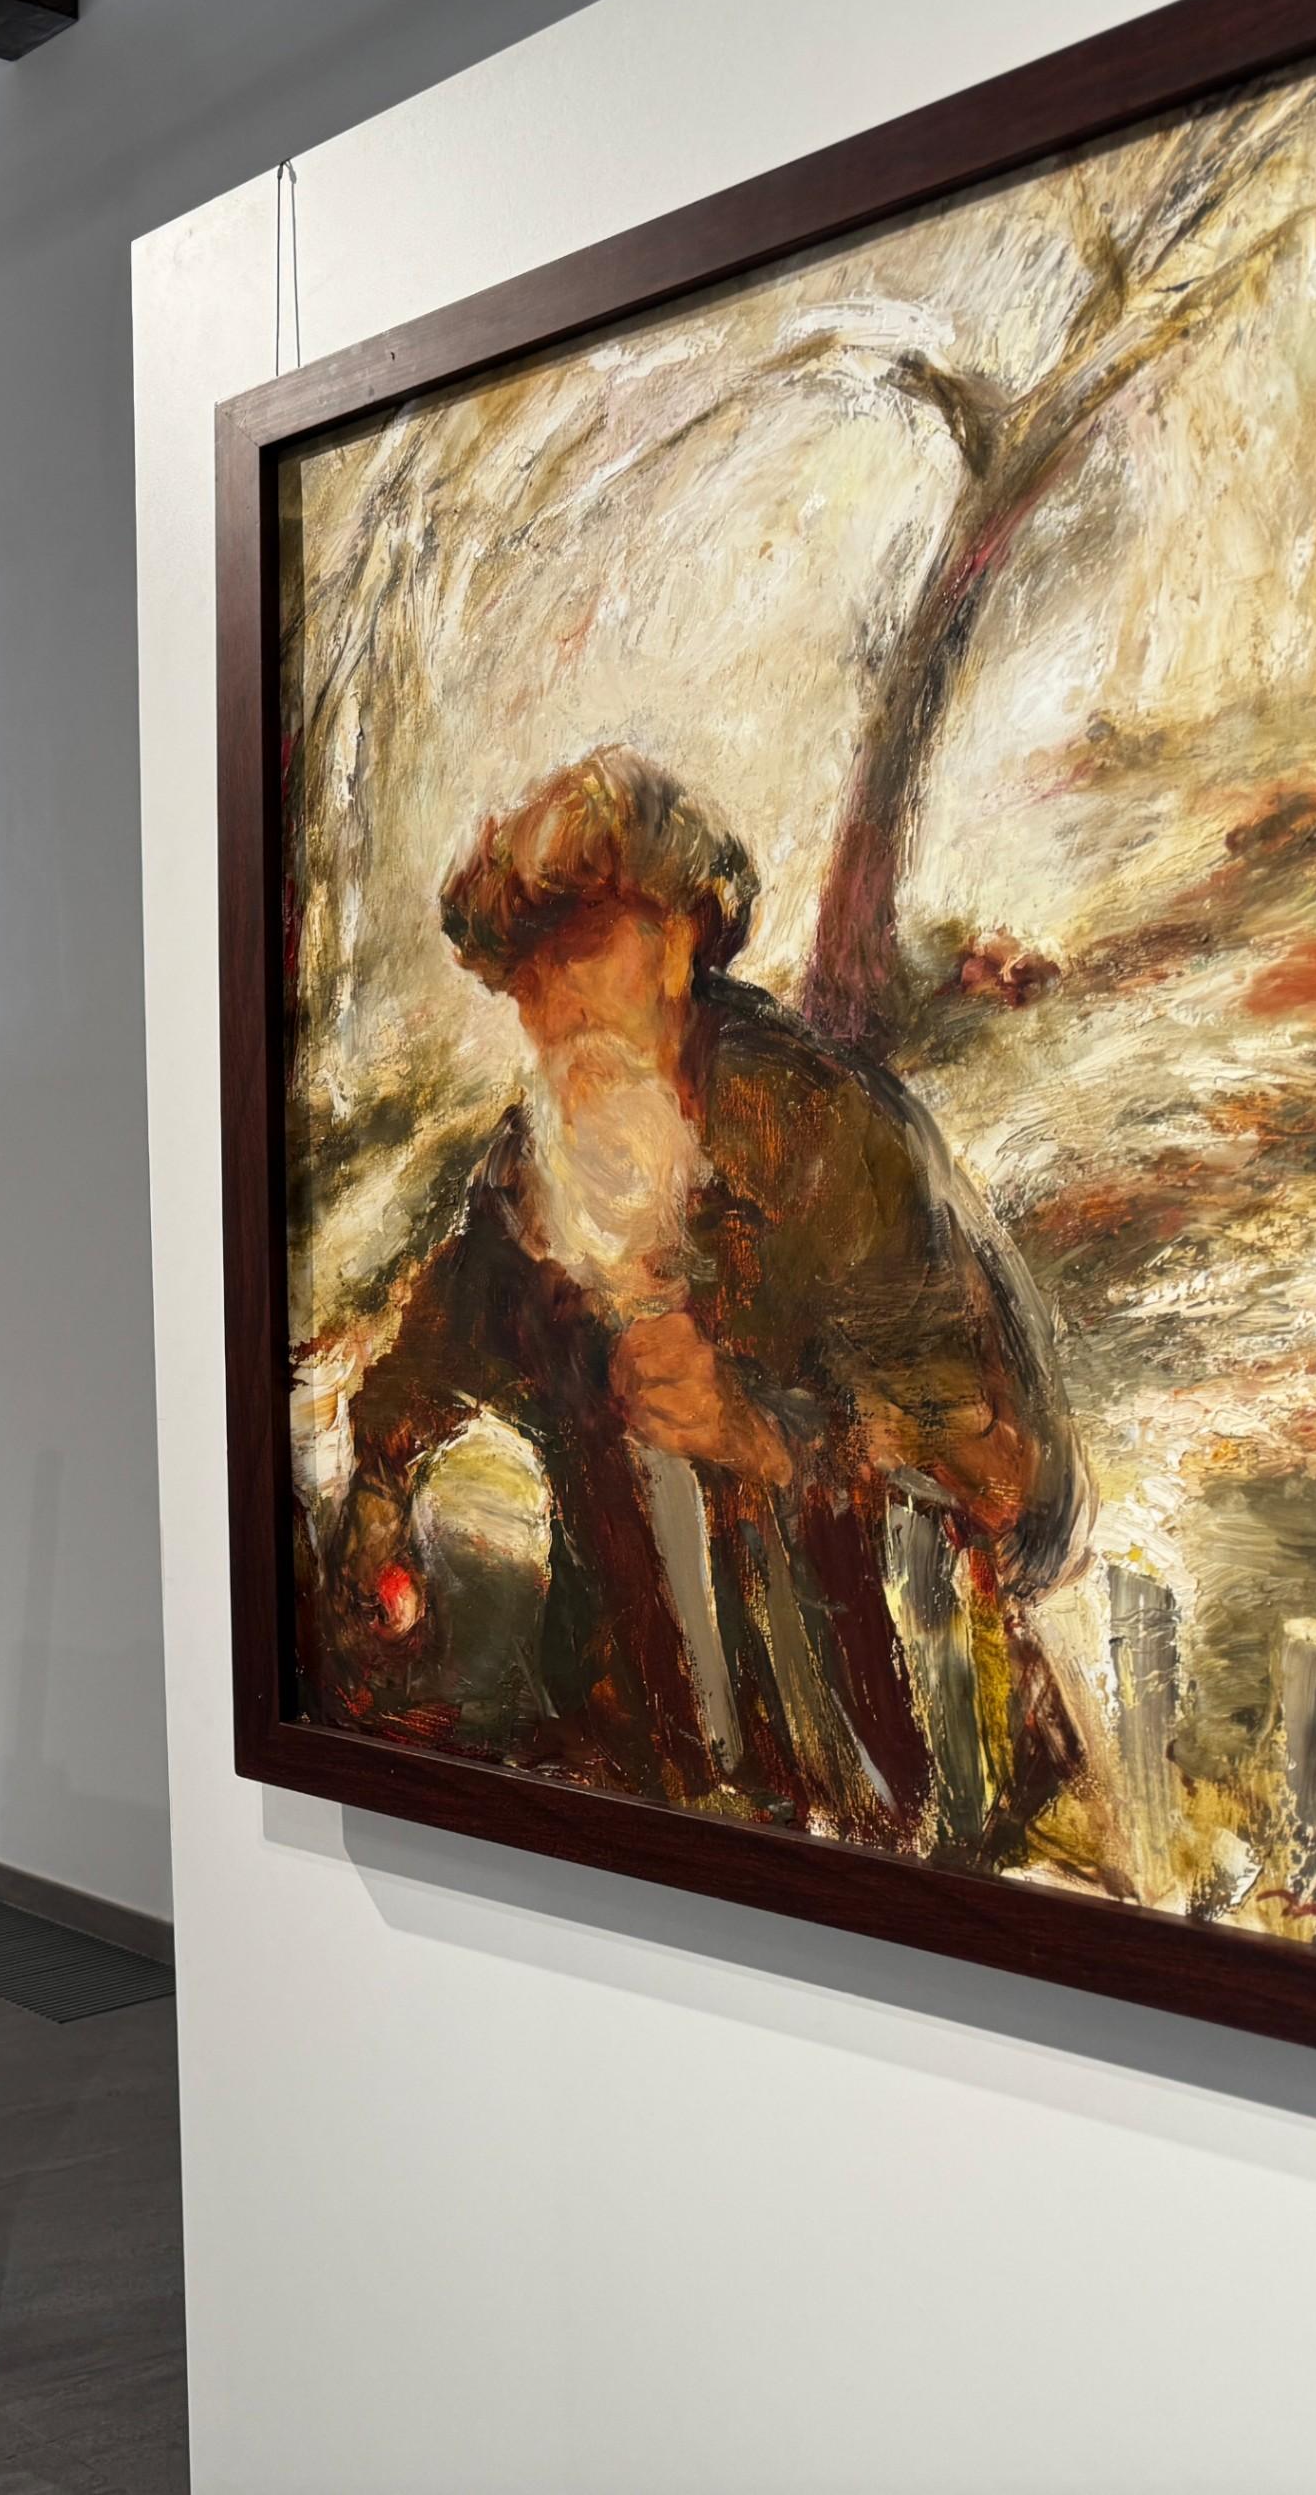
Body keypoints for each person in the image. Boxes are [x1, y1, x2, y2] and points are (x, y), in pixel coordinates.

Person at [314, 748, 1090, 1857]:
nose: (555, 1003)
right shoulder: (531, 1170)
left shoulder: (831, 1143)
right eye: (526, 973)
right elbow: (426, 1366)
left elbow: (1013, 1491)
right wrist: (380, 1499)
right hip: (653, 1782)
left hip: (906, 1776)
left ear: (680, 939)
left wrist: (760, 1432)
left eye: (584, 948)